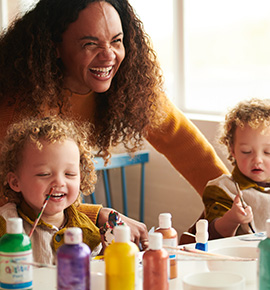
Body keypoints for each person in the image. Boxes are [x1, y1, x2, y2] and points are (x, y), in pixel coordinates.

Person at [0, 0, 229, 245]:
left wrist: (228, 203)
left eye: (116, 41)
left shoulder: (133, 87)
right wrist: (100, 215)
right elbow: (12, 203)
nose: (109, 55)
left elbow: (190, 151)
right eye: (90, 44)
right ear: (54, 46)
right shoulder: (19, 106)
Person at [0, 116, 103, 264]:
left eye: (70, 174)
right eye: (44, 174)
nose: (59, 182)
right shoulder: (5, 223)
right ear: (16, 182)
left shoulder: (85, 229)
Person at [202, 98, 270, 239]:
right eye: (246, 151)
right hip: (245, 257)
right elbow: (212, 236)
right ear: (233, 150)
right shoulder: (222, 189)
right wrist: (231, 218)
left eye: (268, 152)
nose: (257, 160)